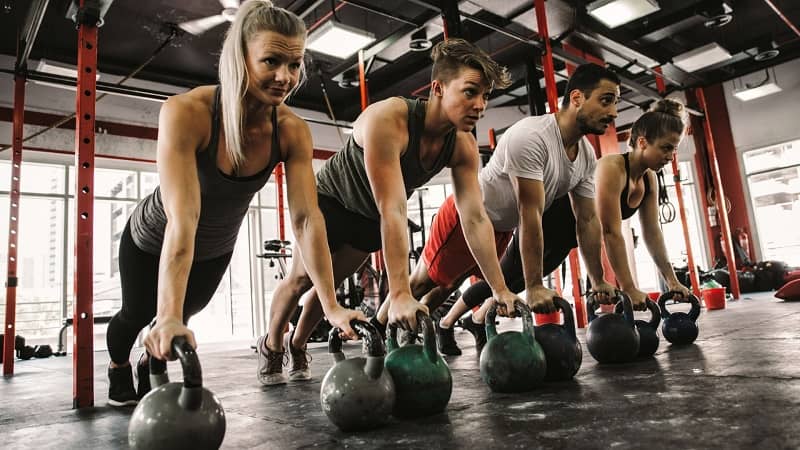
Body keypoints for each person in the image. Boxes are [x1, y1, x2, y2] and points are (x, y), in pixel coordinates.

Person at [105, 0, 363, 406]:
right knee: (136, 314)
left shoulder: (291, 130)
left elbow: (307, 219)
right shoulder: (187, 112)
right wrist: (166, 313)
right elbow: (183, 217)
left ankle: (148, 357)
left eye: (295, 65)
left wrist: (330, 306)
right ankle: (119, 366)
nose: (285, 77)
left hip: (214, 247)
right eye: (272, 61)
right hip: (156, 236)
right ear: (240, 58)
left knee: (183, 317)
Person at [259, 38, 518, 385]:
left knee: (331, 287)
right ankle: (273, 345)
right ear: (438, 88)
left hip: (367, 219)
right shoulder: (389, 119)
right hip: (331, 202)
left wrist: (499, 287)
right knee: (301, 280)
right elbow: (393, 208)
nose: (480, 105)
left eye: (485, 96)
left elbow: (474, 217)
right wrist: (398, 293)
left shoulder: (463, 146)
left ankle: (299, 344)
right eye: (471, 92)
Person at [433, 63, 622, 355]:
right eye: (606, 100)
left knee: (494, 283)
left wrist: (597, 279)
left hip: (502, 229)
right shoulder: (533, 136)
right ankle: (430, 327)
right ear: (576, 99)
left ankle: (466, 322)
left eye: (616, 103)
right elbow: (529, 212)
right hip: (468, 216)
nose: (613, 112)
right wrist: (534, 285)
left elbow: (586, 220)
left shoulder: (586, 155)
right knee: (436, 284)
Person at [594, 98, 691, 306]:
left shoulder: (649, 178)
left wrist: (672, 281)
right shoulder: (612, 168)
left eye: (674, 150)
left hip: (573, 240)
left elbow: (652, 232)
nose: (670, 156)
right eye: (666, 148)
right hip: (549, 232)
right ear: (642, 142)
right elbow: (610, 231)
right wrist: (628, 288)